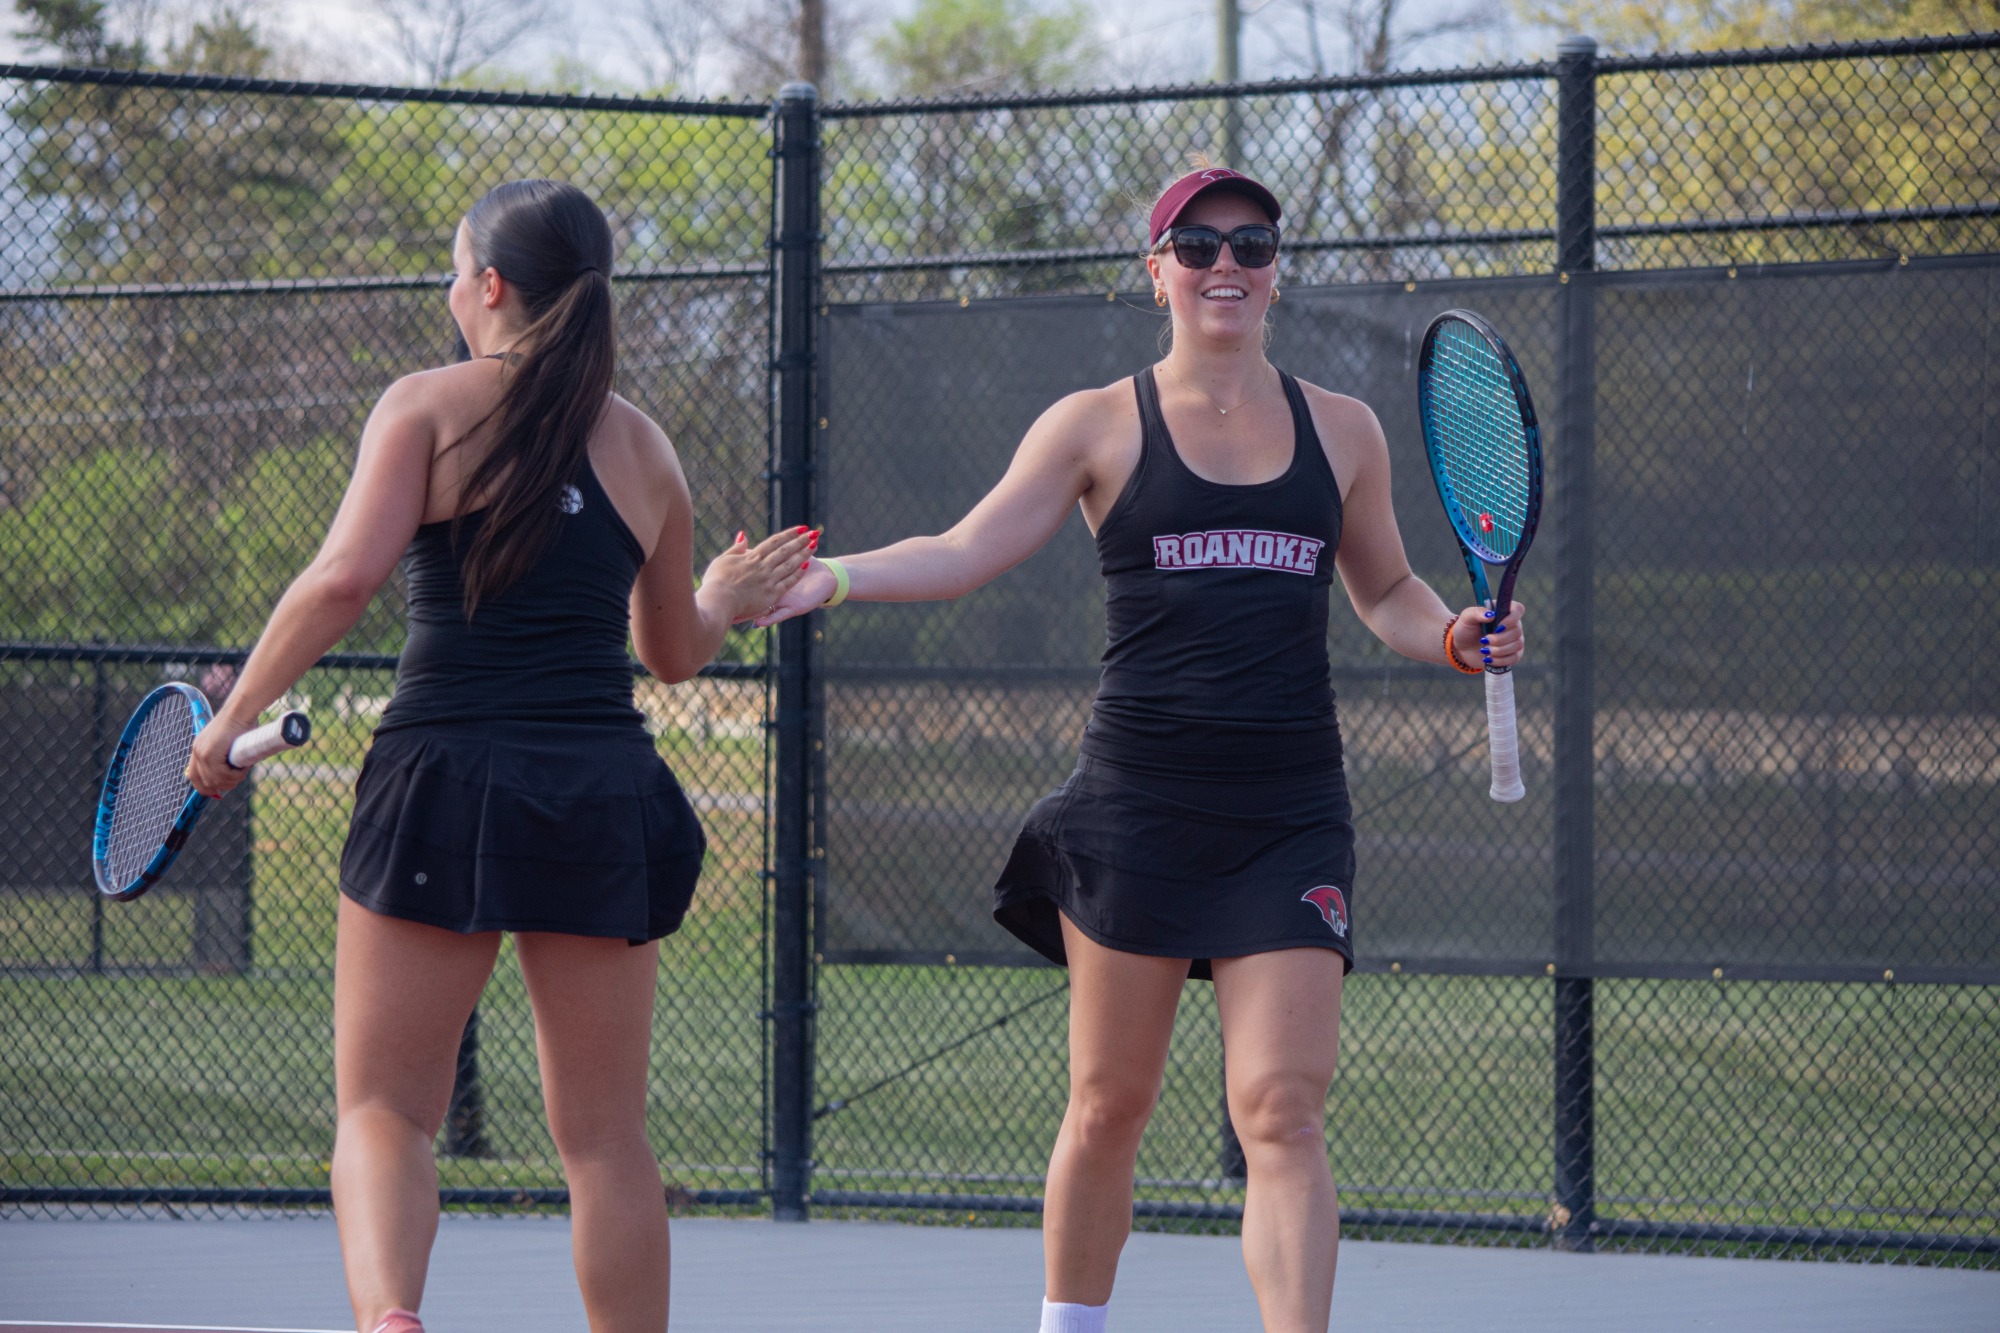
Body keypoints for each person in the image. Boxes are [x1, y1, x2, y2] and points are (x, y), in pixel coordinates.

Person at [757, 167, 1527, 1332]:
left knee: (1280, 1108)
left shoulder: (1345, 429)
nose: (1227, 264)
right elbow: (965, 549)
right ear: (1153, 268)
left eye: (1252, 244)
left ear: (1277, 270)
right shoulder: (1093, 423)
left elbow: (1387, 592)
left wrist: (1457, 638)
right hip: (1136, 806)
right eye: (1198, 243)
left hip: (1287, 810)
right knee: (1110, 1103)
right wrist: (833, 577)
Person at [187, 179, 813, 1333]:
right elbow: (673, 654)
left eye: (451, 267)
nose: (445, 289)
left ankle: (391, 1322)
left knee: (383, 1110)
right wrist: (719, 595)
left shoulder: (423, 406)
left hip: (445, 776)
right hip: (598, 791)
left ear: (486, 287)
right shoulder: (644, 447)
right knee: (607, 1141)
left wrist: (233, 719)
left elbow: (340, 580)